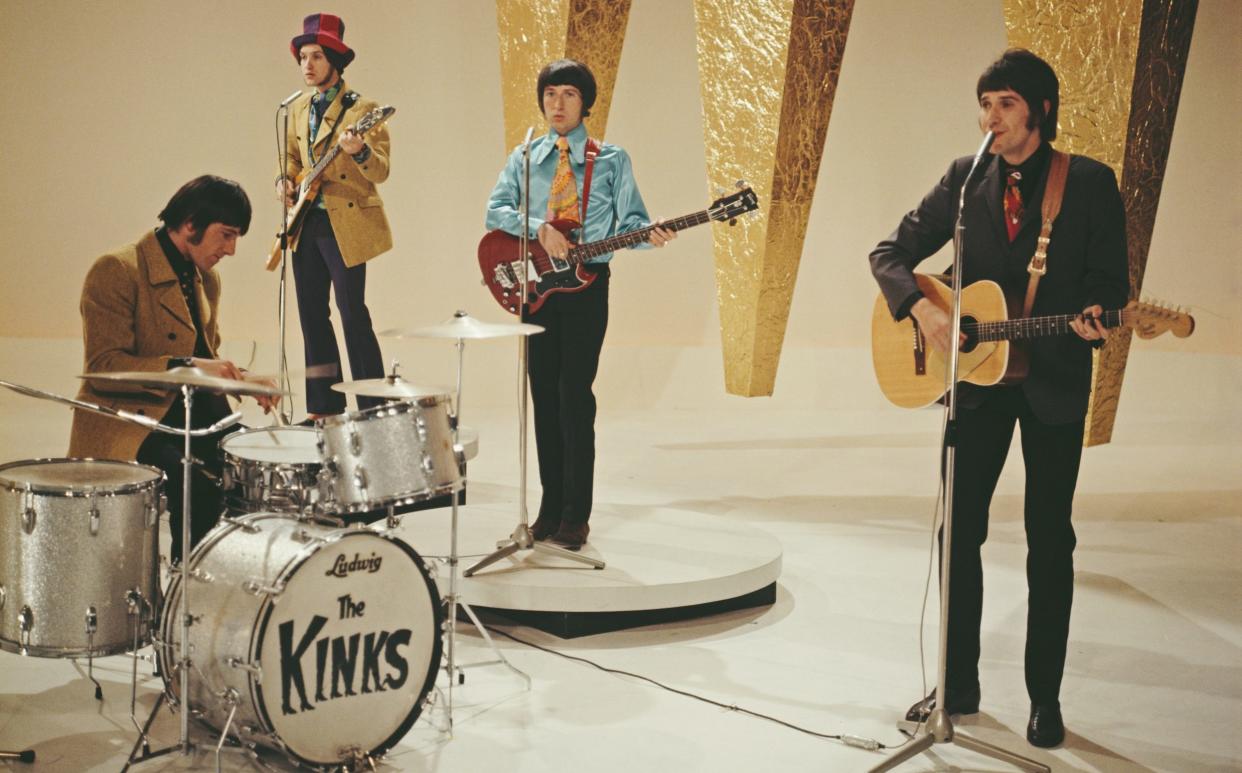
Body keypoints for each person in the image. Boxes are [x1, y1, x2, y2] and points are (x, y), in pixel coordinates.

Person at [869, 48, 1129, 748]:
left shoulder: (1090, 183)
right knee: (961, 534)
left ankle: (1046, 698)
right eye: (985, 104)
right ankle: (958, 685)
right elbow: (889, 252)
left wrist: (1097, 316)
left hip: (1051, 384)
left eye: (1006, 103)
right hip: (974, 389)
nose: (992, 117)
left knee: (1050, 540)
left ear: (1039, 109)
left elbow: (1112, 283)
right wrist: (921, 311)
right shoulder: (966, 178)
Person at [485, 58, 676, 550]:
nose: (558, 104)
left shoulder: (611, 159)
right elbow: (495, 209)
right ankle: (548, 508)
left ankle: (576, 514)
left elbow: (631, 221)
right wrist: (538, 229)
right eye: (550, 95)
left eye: (569, 94)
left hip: (589, 288)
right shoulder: (525, 155)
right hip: (538, 290)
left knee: (575, 396)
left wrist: (647, 236)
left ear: (585, 102)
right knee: (543, 396)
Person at [68, 175, 271, 563]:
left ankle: (231, 577)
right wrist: (188, 366)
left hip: (189, 416)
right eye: (226, 235)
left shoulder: (205, 279)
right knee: (194, 477)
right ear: (191, 223)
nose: (230, 249)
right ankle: (188, 586)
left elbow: (202, 356)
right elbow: (102, 367)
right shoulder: (116, 269)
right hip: (128, 420)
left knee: (254, 461)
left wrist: (243, 379)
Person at [278, 12, 391, 420]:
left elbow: (380, 170)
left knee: (352, 312)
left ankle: (373, 405)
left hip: (345, 223)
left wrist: (359, 150)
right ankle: (323, 406)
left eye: (316, 57)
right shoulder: (296, 109)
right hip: (306, 221)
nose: (307, 65)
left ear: (335, 61)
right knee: (311, 316)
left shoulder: (364, 108)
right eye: (303, 57)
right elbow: (291, 161)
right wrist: (284, 182)